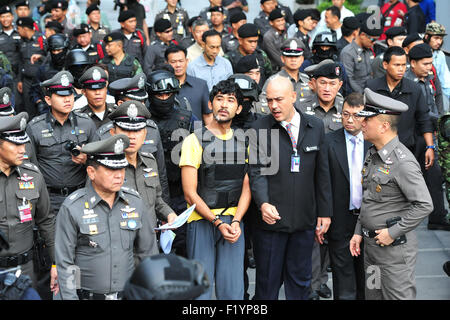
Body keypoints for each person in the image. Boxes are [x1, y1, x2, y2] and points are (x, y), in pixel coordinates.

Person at [249, 75, 332, 300]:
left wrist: (324, 212)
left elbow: (322, 173)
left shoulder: (314, 126)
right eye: (269, 100)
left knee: (300, 283)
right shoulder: (259, 128)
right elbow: (257, 172)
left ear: (294, 97)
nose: (273, 106)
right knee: (267, 285)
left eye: (279, 99)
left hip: (303, 222)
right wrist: (263, 203)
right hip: (270, 223)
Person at [350, 88, 433, 300]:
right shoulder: (373, 154)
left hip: (393, 254)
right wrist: (359, 230)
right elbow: (369, 198)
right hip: (371, 249)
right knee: (373, 297)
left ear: (384, 126)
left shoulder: (402, 162)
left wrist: (393, 232)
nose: (362, 123)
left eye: (368, 120)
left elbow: (424, 204)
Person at [55, 134, 156, 300]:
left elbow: (147, 253)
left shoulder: (135, 202)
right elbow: (67, 263)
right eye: (111, 170)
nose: (119, 175)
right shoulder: (73, 207)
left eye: (122, 168)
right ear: (91, 172)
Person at [180, 79, 251, 299]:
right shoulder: (193, 140)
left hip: (233, 224)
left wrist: (236, 221)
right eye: (219, 98)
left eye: (230, 100)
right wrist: (217, 222)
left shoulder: (245, 141)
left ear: (238, 108)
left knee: (233, 291)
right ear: (210, 103)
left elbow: (248, 185)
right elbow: (190, 193)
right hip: (202, 221)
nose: (224, 104)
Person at [108, 100, 177, 255]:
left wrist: (169, 214)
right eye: (125, 130)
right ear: (113, 132)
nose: (132, 137)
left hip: (149, 246)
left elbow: (157, 200)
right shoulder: (105, 167)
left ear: (145, 133)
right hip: (119, 250)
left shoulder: (150, 162)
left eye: (137, 131)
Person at [26, 71, 98, 219]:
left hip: (81, 195)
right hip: (49, 199)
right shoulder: (35, 127)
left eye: (70, 95)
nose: (67, 100)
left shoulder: (86, 123)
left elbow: (101, 163)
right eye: (61, 96)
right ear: (48, 100)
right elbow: (30, 168)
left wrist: (87, 160)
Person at [0, 112, 56, 298]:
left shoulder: (33, 175)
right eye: (15, 144)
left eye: (23, 143)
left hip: (24, 269)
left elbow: (46, 221)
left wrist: (56, 263)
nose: (22, 149)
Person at [323, 92, 368, 300]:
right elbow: (322, 183)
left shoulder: (374, 142)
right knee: (343, 279)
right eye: (345, 114)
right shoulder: (328, 142)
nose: (350, 120)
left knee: (369, 278)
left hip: (370, 220)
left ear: (366, 116)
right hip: (340, 219)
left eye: (356, 115)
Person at [405, 44, 449, 231]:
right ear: (413, 63)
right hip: (412, 135)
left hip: (430, 134)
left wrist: (440, 120)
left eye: (431, 63)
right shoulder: (407, 82)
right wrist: (439, 119)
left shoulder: (431, 77)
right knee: (407, 179)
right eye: (425, 64)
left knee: (435, 175)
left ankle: (437, 216)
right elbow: (416, 112)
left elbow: (437, 99)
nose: (429, 67)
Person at [147, 68, 196, 214]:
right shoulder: (143, 120)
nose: (163, 99)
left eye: (167, 94)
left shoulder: (188, 118)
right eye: (159, 95)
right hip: (151, 191)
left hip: (181, 191)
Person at [165, 45, 212, 124]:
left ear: (187, 61)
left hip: (197, 131)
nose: (178, 65)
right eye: (173, 62)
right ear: (167, 63)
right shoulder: (162, 87)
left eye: (181, 61)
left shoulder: (201, 85)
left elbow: (208, 115)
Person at [340, 16, 382, 94]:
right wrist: (363, 94)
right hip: (356, 95)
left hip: (372, 92)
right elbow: (349, 79)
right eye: (373, 40)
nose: (374, 43)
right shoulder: (348, 52)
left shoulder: (369, 50)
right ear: (362, 35)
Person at [30, 33, 70, 115]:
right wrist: (39, 103)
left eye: (59, 50)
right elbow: (34, 90)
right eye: (53, 51)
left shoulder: (72, 67)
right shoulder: (43, 69)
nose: (56, 53)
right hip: (48, 111)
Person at [17, 17, 47, 117]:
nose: (18, 31)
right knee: (28, 110)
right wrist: (20, 80)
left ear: (25, 29)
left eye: (19, 29)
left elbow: (49, 57)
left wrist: (41, 57)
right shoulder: (21, 41)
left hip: (40, 81)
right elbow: (21, 61)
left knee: (43, 108)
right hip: (26, 81)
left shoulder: (41, 39)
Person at [424, 22, 450, 111]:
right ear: (427, 37)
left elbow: (445, 79)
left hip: (437, 92)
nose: (439, 42)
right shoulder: (419, 52)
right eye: (436, 38)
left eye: (441, 39)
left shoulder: (440, 55)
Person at [263, 8, 288, 72]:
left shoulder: (284, 32)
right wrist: (288, 66)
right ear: (271, 23)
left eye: (282, 20)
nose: (282, 23)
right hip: (273, 70)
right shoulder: (268, 36)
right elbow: (275, 55)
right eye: (278, 21)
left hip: (285, 66)